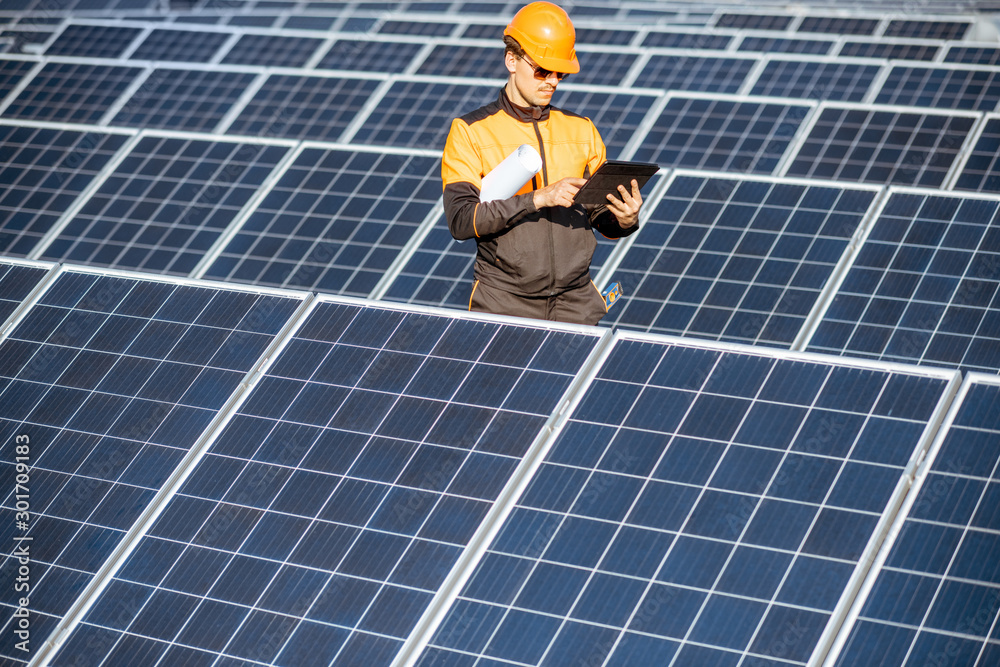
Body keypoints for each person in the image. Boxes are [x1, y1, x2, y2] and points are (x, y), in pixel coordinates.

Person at [441, 1, 642, 326]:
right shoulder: (470, 132)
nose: (552, 81)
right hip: (502, 304)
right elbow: (462, 222)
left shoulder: (582, 130)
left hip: (577, 305)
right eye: (541, 70)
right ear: (511, 60)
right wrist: (538, 198)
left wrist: (625, 218)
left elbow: (600, 217)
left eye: (559, 73)